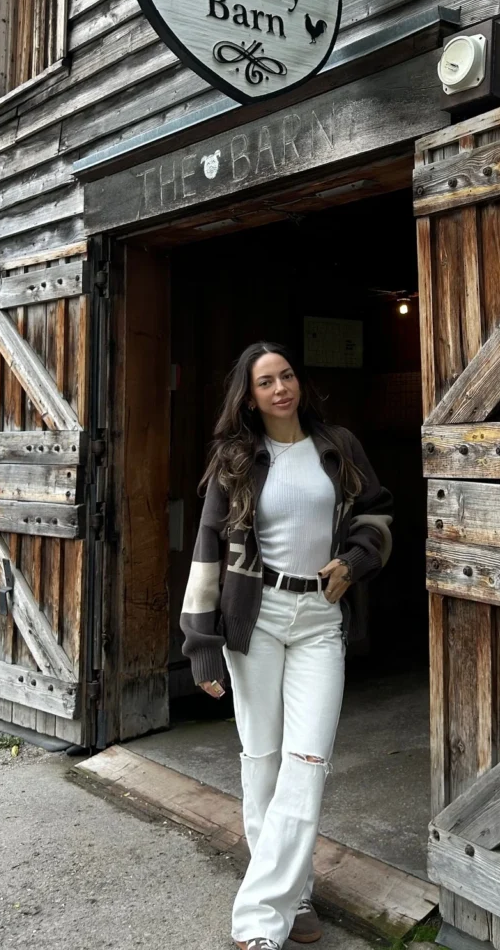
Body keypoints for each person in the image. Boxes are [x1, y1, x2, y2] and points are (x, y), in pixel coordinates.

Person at [180, 341, 393, 950]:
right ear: (249, 396)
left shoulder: (338, 446)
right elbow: (208, 545)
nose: (281, 388)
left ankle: (257, 913)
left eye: (288, 375)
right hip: (257, 616)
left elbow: (377, 516)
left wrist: (352, 563)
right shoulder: (237, 458)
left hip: (320, 616)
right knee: (262, 759)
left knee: (307, 763)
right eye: (266, 381)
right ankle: (289, 897)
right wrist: (200, 640)